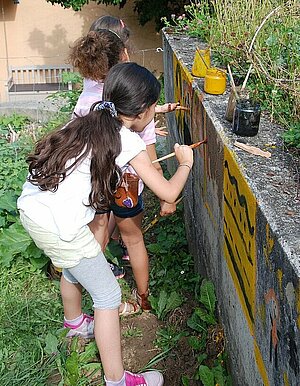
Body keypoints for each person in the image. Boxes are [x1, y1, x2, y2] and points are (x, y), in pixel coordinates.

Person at [17, 62, 193, 386]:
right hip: (60, 226)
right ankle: (117, 379)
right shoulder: (128, 141)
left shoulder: (90, 120)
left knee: (72, 267)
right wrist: (185, 162)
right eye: (154, 107)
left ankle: (75, 324)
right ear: (141, 111)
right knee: (108, 295)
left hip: (33, 210)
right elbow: (168, 191)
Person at [69, 28, 184, 313]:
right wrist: (185, 163)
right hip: (129, 183)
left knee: (97, 234)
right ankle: (143, 298)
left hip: (98, 184)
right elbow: (150, 156)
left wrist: (158, 109)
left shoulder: (95, 103)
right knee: (133, 238)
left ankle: (88, 283)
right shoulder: (132, 137)